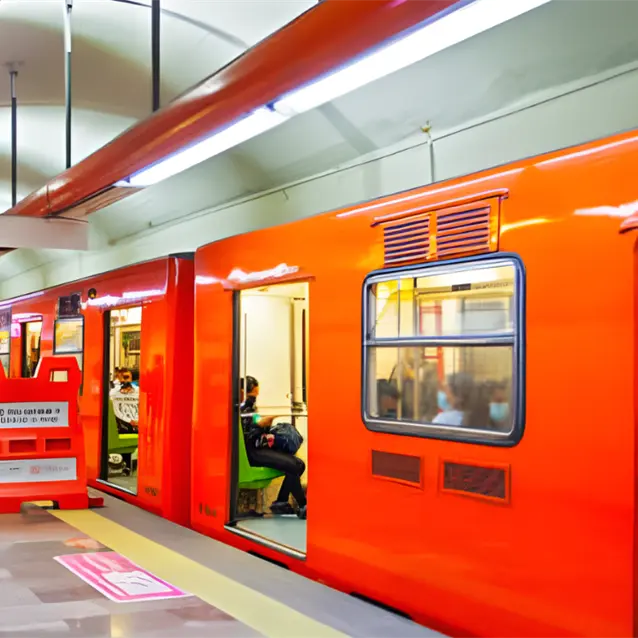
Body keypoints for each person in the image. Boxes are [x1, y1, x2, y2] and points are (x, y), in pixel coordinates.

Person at [240, 376, 307, 519]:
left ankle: (282, 501)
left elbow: (256, 425)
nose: (254, 399)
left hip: (259, 448)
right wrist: (263, 424)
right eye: (252, 396)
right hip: (252, 452)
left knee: (299, 465)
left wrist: (265, 425)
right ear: (243, 392)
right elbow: (249, 432)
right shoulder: (241, 409)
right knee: (294, 466)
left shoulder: (248, 409)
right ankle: (302, 505)